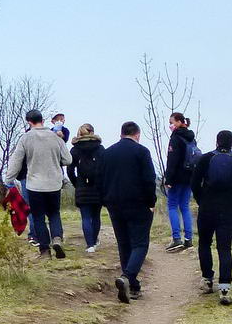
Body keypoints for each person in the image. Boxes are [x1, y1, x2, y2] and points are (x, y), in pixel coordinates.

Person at [190, 129, 232, 306]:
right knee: (225, 248)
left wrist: (201, 200)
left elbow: (194, 183)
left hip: (207, 208)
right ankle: (225, 288)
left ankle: (207, 280)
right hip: (228, 209)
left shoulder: (206, 159)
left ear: (216, 141)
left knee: (204, 243)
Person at [100, 121, 157, 303]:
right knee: (140, 244)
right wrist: (151, 202)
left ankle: (132, 286)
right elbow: (149, 179)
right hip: (138, 203)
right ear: (137, 135)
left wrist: (105, 200)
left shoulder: (107, 153)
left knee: (123, 244)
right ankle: (127, 277)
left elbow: (100, 179)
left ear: (121, 133)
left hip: (114, 204)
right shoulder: (141, 152)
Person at [3, 109, 72, 258]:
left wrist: (9, 179)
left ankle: (45, 251)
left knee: (38, 217)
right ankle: (57, 238)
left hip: (34, 185)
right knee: (54, 213)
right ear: (42, 120)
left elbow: (16, 161)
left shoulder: (26, 138)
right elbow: (68, 160)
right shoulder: (56, 137)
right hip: (54, 184)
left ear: (29, 122)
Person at [163, 112, 199, 252]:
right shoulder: (191, 138)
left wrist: (168, 179)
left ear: (178, 122)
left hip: (177, 178)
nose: (170, 125)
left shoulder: (176, 138)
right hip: (189, 177)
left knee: (172, 206)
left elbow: (172, 160)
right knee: (184, 206)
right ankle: (189, 239)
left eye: (171, 122)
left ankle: (176, 238)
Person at [66, 123, 105, 253]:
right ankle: (94, 240)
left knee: (86, 217)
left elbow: (70, 170)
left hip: (82, 186)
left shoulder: (75, 149)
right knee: (96, 216)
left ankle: (90, 245)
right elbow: (105, 168)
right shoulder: (100, 148)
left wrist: (76, 183)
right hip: (98, 186)